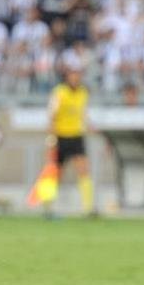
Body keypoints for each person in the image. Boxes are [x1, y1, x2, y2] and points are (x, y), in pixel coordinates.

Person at [47, 68, 94, 216]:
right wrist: (52, 137)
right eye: (73, 75)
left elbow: (83, 114)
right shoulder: (60, 92)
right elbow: (52, 115)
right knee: (56, 172)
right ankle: (49, 206)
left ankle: (88, 207)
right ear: (67, 77)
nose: (75, 78)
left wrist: (90, 126)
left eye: (77, 75)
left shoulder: (83, 92)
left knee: (83, 170)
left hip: (76, 135)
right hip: (61, 136)